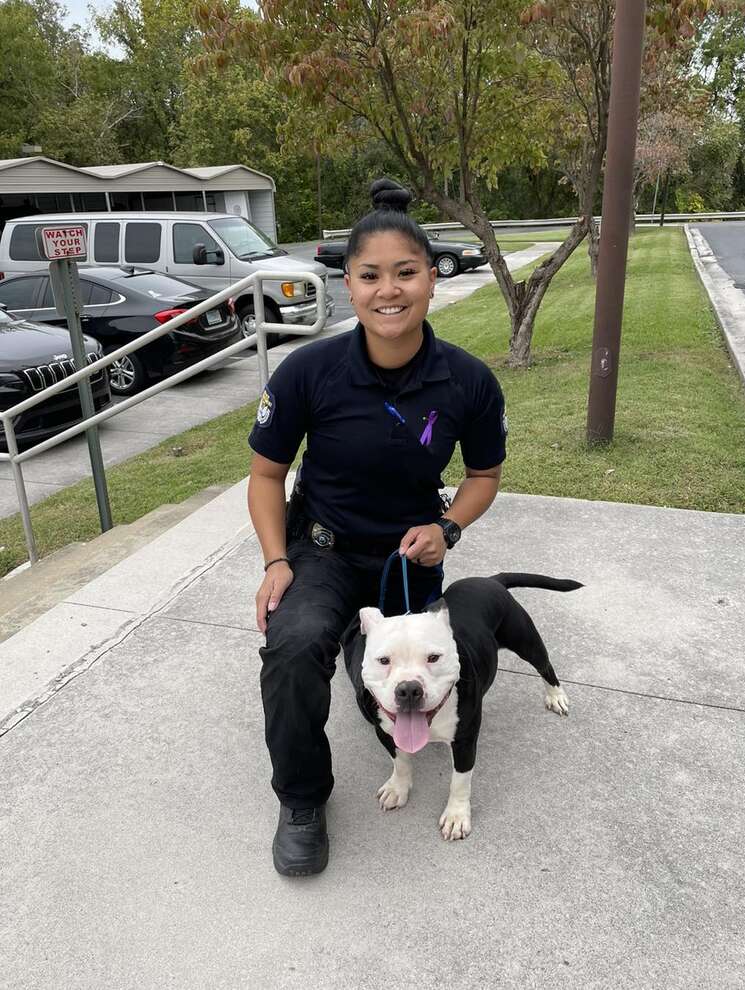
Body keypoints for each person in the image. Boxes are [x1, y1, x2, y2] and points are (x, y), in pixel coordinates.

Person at [247, 178, 507, 877]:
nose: (388, 290)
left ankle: (376, 686)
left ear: (430, 276)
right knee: (296, 646)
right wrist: (276, 562)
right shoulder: (309, 371)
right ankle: (301, 799)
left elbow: (484, 477)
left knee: (408, 681)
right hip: (320, 550)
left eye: (405, 272)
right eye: (369, 275)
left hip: (408, 560)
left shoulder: (468, 382)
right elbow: (266, 477)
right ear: (349, 283)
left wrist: (447, 529)